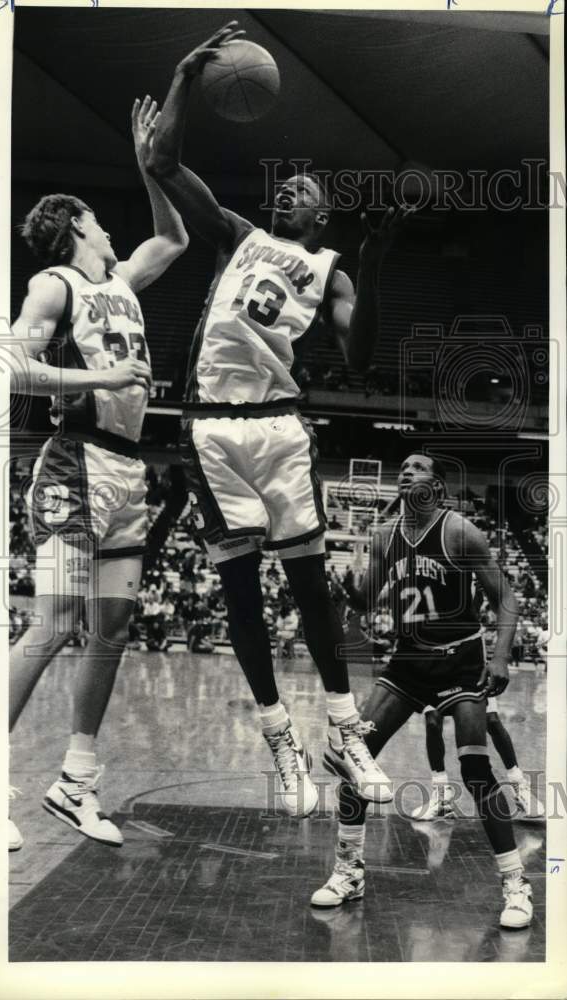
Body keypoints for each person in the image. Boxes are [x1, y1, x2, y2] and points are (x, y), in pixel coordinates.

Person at [147, 21, 412, 818]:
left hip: (280, 425)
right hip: (210, 427)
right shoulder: (239, 234)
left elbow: (360, 357)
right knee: (235, 586)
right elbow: (162, 161)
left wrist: (370, 264)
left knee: (308, 585)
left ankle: (342, 730)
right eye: (285, 183)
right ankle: (277, 737)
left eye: (306, 186)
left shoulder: (330, 266)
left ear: (325, 212)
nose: (290, 187)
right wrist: (187, 77)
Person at [8, 96, 189, 851]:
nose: (113, 232)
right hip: (74, 466)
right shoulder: (57, 283)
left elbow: (172, 237)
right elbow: (13, 366)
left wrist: (150, 166)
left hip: (125, 475)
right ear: (80, 222)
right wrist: (102, 380)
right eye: (100, 220)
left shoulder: (120, 284)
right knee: (52, 623)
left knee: (109, 631)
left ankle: (74, 780)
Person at [311, 454, 534, 930]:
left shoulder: (459, 532)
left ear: (436, 484)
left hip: (460, 661)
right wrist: (337, 584)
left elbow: (507, 598)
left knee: (475, 768)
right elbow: (366, 599)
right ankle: (349, 870)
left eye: (417, 466)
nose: (406, 470)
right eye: (403, 466)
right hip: (408, 661)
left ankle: (516, 883)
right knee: (357, 754)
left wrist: (499, 657)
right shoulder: (385, 536)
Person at [412, 697, 545, 821]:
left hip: (470, 674)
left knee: (491, 720)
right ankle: (441, 797)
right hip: (437, 674)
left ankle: (519, 786)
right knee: (432, 722)